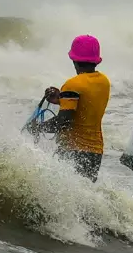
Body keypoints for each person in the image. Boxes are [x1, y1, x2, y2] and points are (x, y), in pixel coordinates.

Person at [30, 35, 111, 181]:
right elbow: (86, 106)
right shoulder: (104, 82)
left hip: (73, 151)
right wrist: (62, 99)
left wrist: (38, 127)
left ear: (74, 60)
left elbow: (64, 122)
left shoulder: (73, 84)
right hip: (95, 152)